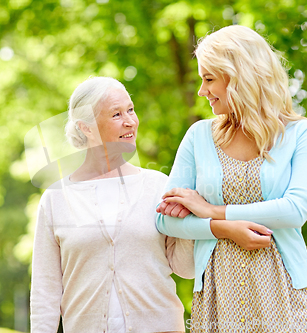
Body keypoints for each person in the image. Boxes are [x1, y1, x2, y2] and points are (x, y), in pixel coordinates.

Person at [156, 25, 307, 332]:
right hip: (218, 299)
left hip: (289, 297)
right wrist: (224, 229)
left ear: (241, 77)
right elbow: (165, 220)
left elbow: (295, 210)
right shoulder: (198, 137)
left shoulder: (302, 134)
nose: (201, 91)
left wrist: (210, 211)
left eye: (209, 79)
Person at [30, 77, 194, 333]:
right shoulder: (55, 199)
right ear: (86, 128)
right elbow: (45, 291)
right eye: (116, 114)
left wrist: (189, 223)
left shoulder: (158, 186)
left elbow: (186, 269)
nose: (130, 121)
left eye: (130, 109)